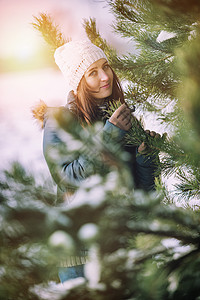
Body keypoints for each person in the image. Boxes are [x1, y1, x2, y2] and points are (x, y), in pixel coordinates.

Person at [33, 39, 160, 283]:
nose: (105, 77)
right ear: (79, 82)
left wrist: (146, 159)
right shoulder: (61, 121)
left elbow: (142, 195)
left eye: (106, 67)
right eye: (92, 72)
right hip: (80, 254)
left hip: (125, 246)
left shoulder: (123, 119)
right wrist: (111, 134)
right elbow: (67, 176)